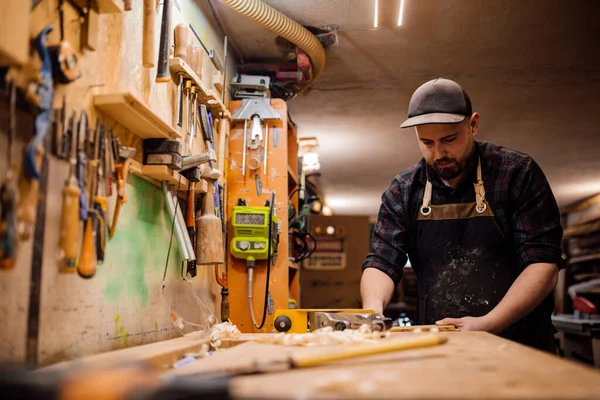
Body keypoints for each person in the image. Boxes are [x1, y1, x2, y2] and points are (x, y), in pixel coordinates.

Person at [360, 78, 563, 351]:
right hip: (439, 344)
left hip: (520, 343)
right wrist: (372, 311)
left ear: (473, 125)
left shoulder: (517, 174)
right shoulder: (404, 191)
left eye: (449, 139)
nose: (439, 152)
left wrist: (489, 323)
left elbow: (543, 265)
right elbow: (382, 261)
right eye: (427, 142)